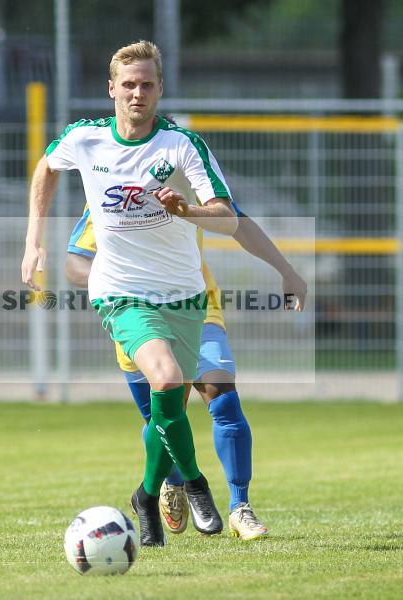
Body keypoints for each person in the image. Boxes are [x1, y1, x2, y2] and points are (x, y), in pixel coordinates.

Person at [21, 40, 238, 547]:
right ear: (111, 89)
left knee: (171, 405)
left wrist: (188, 211)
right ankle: (197, 484)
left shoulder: (183, 146)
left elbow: (226, 215)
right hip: (120, 291)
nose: (137, 93)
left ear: (159, 89)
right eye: (128, 85)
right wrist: (33, 239)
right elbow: (46, 168)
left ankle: (145, 494)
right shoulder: (86, 138)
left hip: (185, 294)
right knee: (164, 378)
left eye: (147, 84)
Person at [65, 199, 306, 541]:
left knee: (223, 399)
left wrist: (287, 270)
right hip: (134, 310)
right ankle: (171, 480)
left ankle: (240, 507)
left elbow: (238, 222)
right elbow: (74, 262)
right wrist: (117, 277)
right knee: (162, 414)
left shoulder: (188, 174)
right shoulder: (109, 186)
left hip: (196, 305)